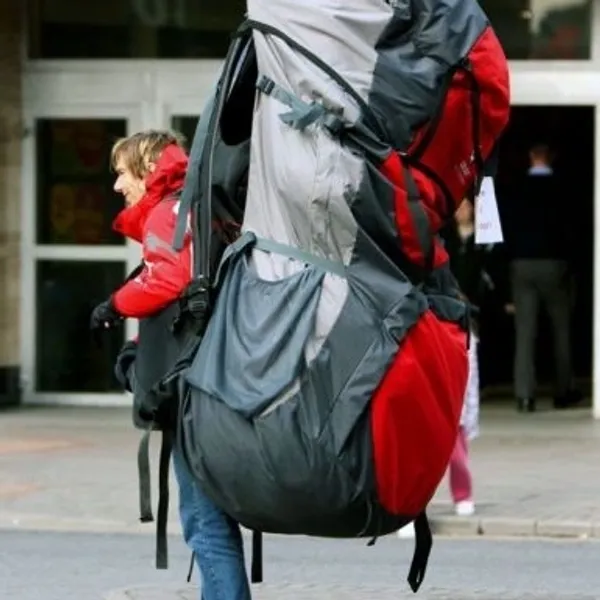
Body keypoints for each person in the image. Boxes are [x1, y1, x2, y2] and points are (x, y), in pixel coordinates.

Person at [89, 129, 251, 600]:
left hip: (192, 395)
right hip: (218, 383)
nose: (118, 186)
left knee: (204, 526)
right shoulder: (203, 208)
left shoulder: (169, 210)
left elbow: (169, 280)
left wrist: (114, 305)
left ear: (146, 166)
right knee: (213, 524)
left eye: (122, 172)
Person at [398, 199, 485, 538]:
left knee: (453, 427)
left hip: (446, 335)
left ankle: (460, 492)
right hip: (419, 337)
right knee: (415, 432)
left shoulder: (443, 256)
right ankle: (410, 507)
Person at [503, 143, 581, 413]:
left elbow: (507, 230)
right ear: (552, 157)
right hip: (555, 262)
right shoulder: (564, 188)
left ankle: (525, 395)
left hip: (522, 264)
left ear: (530, 156)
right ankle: (563, 390)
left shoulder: (514, 188)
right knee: (561, 329)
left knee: (525, 333)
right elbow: (574, 229)